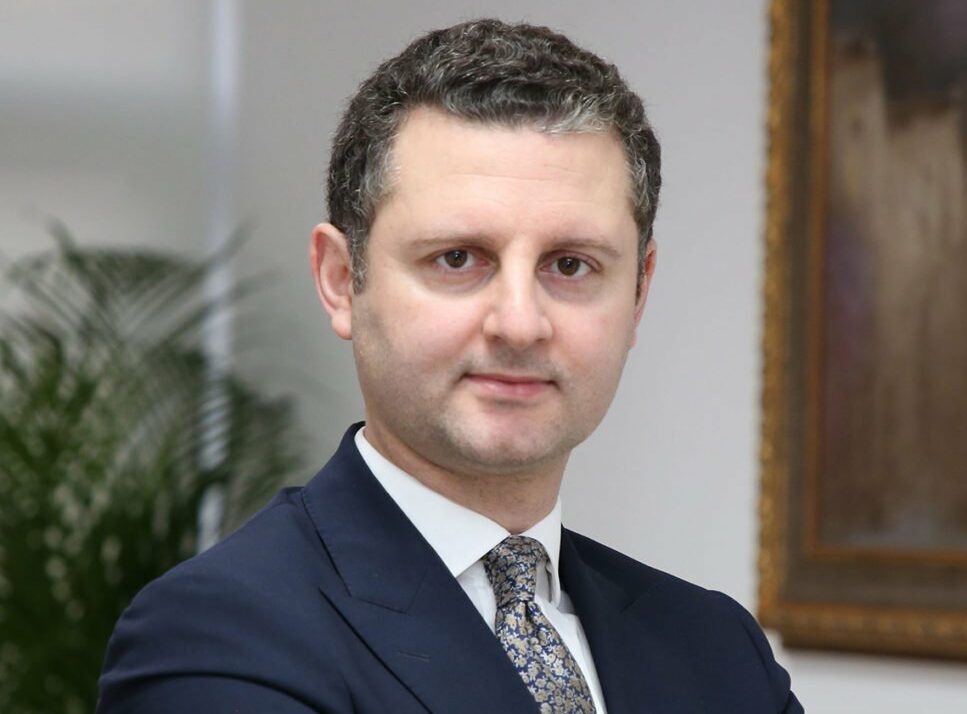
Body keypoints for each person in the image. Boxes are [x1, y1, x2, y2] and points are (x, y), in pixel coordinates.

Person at [98, 19, 802, 713]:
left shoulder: (719, 652)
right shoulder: (219, 639)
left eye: (569, 265)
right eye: (458, 259)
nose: (519, 324)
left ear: (639, 293)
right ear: (341, 280)